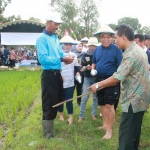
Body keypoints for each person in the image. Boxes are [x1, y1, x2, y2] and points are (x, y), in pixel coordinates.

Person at [88, 24, 150, 149]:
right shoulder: (137, 50)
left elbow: (118, 76)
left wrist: (98, 84)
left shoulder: (131, 54)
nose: (114, 40)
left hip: (133, 101)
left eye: (115, 37)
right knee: (134, 134)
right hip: (141, 100)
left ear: (123, 37)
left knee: (126, 136)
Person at [36, 12, 74, 139]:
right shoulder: (42, 39)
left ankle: (50, 130)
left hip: (57, 74)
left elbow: (60, 54)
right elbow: (43, 59)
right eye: (55, 23)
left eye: (58, 24)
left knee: (57, 101)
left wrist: (66, 58)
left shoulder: (55, 38)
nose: (57, 26)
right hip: (48, 75)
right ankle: (49, 136)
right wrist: (62, 60)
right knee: (49, 103)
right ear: (48, 22)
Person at [92, 25, 122, 140]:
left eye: (108, 37)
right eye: (103, 37)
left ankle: (109, 130)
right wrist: (93, 68)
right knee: (103, 104)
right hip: (99, 80)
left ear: (111, 38)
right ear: (100, 38)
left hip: (111, 80)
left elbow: (120, 67)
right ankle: (105, 125)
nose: (105, 40)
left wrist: (116, 80)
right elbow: (94, 61)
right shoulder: (97, 49)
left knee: (110, 105)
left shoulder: (116, 49)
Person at [58, 34, 79, 125]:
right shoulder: (58, 55)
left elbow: (76, 67)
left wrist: (77, 73)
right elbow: (55, 67)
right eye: (66, 44)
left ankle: (71, 116)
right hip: (59, 80)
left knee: (69, 99)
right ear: (62, 45)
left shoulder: (73, 55)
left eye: (70, 45)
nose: (68, 46)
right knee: (60, 99)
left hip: (70, 81)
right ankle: (61, 115)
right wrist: (59, 75)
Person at [78, 37, 98, 123]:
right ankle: (81, 116)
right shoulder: (85, 55)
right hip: (87, 78)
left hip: (97, 78)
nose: (92, 47)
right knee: (84, 97)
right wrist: (86, 67)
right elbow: (81, 68)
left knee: (95, 97)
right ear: (88, 46)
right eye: (91, 45)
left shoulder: (99, 54)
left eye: (94, 46)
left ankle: (93, 114)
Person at [72, 42, 84, 107]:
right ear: (76, 47)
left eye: (81, 46)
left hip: (81, 74)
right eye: (79, 46)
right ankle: (69, 102)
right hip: (73, 74)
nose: (80, 47)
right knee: (72, 89)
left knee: (79, 89)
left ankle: (79, 102)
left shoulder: (84, 55)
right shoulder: (72, 55)